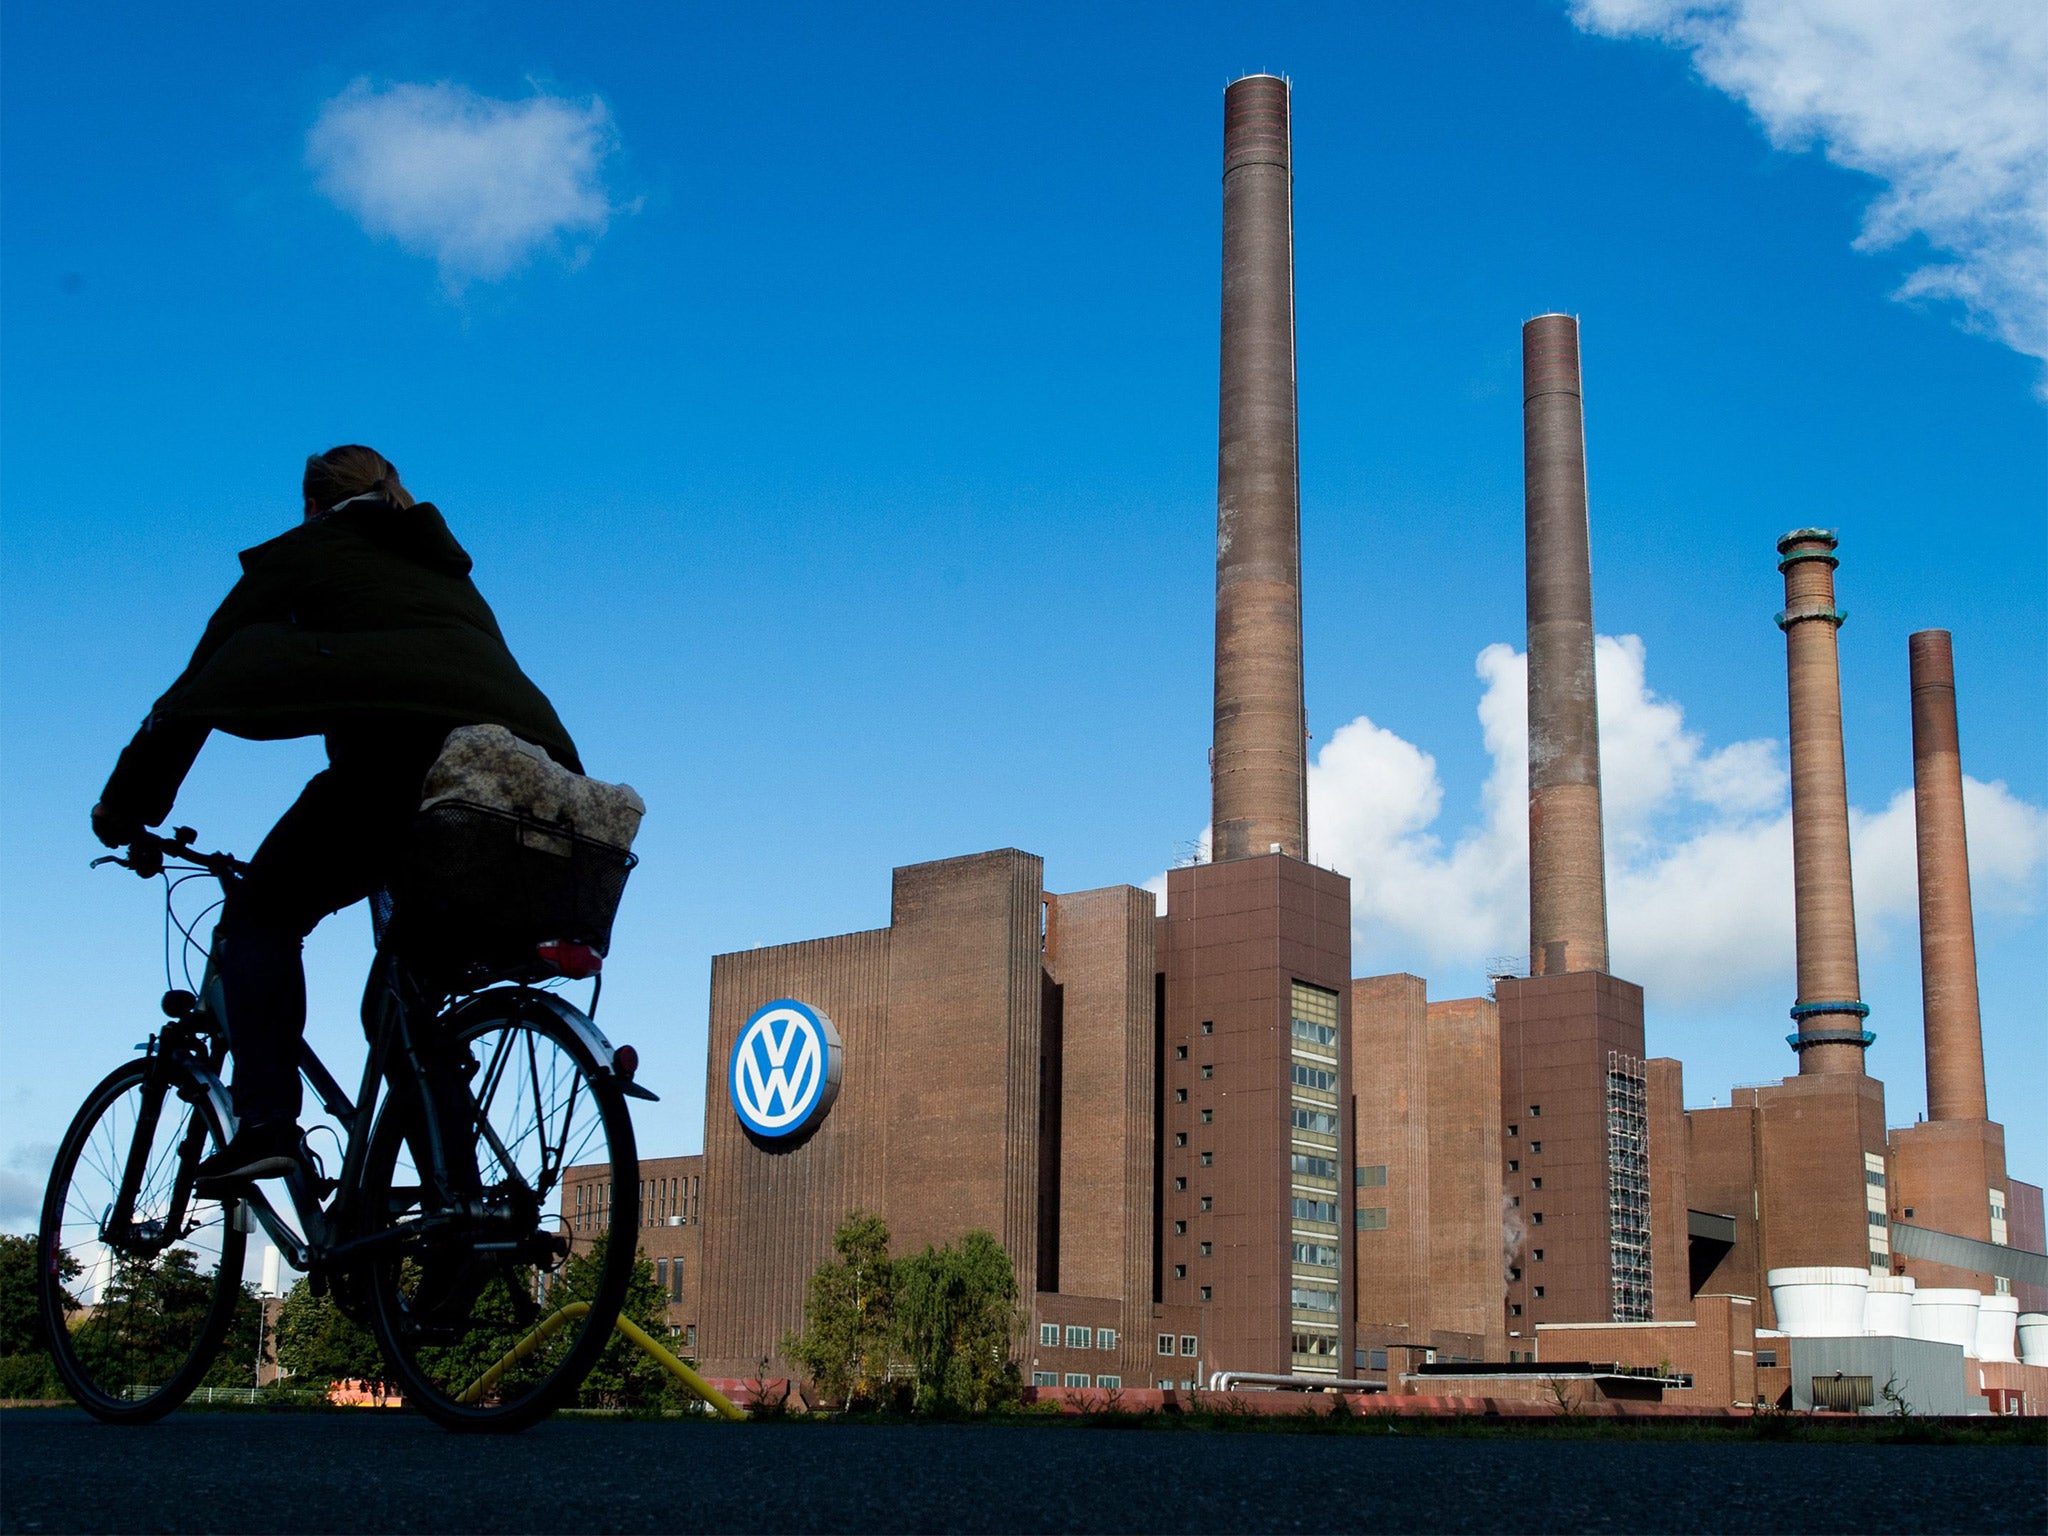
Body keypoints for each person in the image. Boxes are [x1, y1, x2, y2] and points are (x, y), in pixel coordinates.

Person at [92, 446, 581, 1186]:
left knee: (260, 919)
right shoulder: (446, 573)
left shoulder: (308, 552)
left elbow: (195, 689)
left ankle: (266, 1125)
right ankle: (463, 1215)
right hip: (524, 781)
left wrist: (125, 808)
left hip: (401, 768)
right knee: (398, 1002)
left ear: (314, 505)